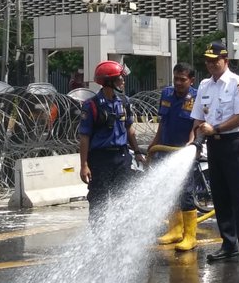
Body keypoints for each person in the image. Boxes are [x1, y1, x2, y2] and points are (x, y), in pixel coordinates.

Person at [190, 42, 239, 265]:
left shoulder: (238, 84)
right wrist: (195, 142)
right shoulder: (204, 86)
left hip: (235, 143)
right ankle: (229, 244)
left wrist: (216, 129)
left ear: (225, 60)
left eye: (214, 60)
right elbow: (198, 117)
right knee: (220, 197)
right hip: (213, 146)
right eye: (207, 61)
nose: (210, 64)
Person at [78, 60, 146, 228]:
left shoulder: (124, 102)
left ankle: (120, 234)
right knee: (98, 199)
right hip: (100, 159)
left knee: (123, 197)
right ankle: (98, 238)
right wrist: (84, 165)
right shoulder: (91, 106)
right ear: (108, 82)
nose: (123, 81)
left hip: (121, 157)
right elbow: (84, 137)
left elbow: (129, 129)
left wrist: (137, 151)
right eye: (119, 79)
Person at [150, 63, 198, 251]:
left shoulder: (196, 97)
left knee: (185, 192)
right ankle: (175, 230)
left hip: (183, 152)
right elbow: (163, 121)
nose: (178, 82)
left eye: (182, 79)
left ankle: (190, 236)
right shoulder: (167, 94)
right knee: (169, 190)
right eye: (176, 78)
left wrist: (192, 143)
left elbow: (197, 122)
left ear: (191, 80)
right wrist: (155, 143)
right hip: (165, 149)